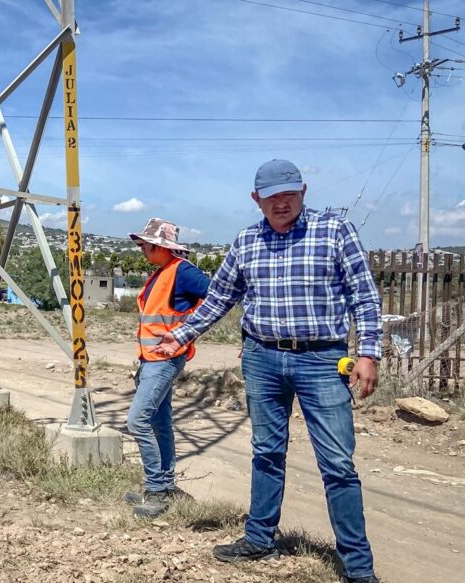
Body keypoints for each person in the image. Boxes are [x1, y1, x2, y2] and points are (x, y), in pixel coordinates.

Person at [154, 159, 382, 583]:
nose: (282, 203)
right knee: (266, 452)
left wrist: (368, 354)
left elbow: (364, 298)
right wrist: (182, 335)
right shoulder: (246, 241)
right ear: (256, 199)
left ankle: (357, 567)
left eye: (289, 194)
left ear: (304, 192)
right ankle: (259, 539)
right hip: (262, 358)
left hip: (321, 360)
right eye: (272, 196)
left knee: (337, 464)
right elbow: (220, 297)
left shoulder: (334, 232)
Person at [121, 218, 210, 519]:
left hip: (166, 359)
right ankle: (165, 486)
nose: (142, 248)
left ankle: (156, 490)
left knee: (138, 422)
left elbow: (215, 297)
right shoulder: (161, 274)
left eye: (146, 243)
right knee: (159, 422)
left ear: (162, 246)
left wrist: (188, 331)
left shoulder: (182, 272)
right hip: (151, 359)